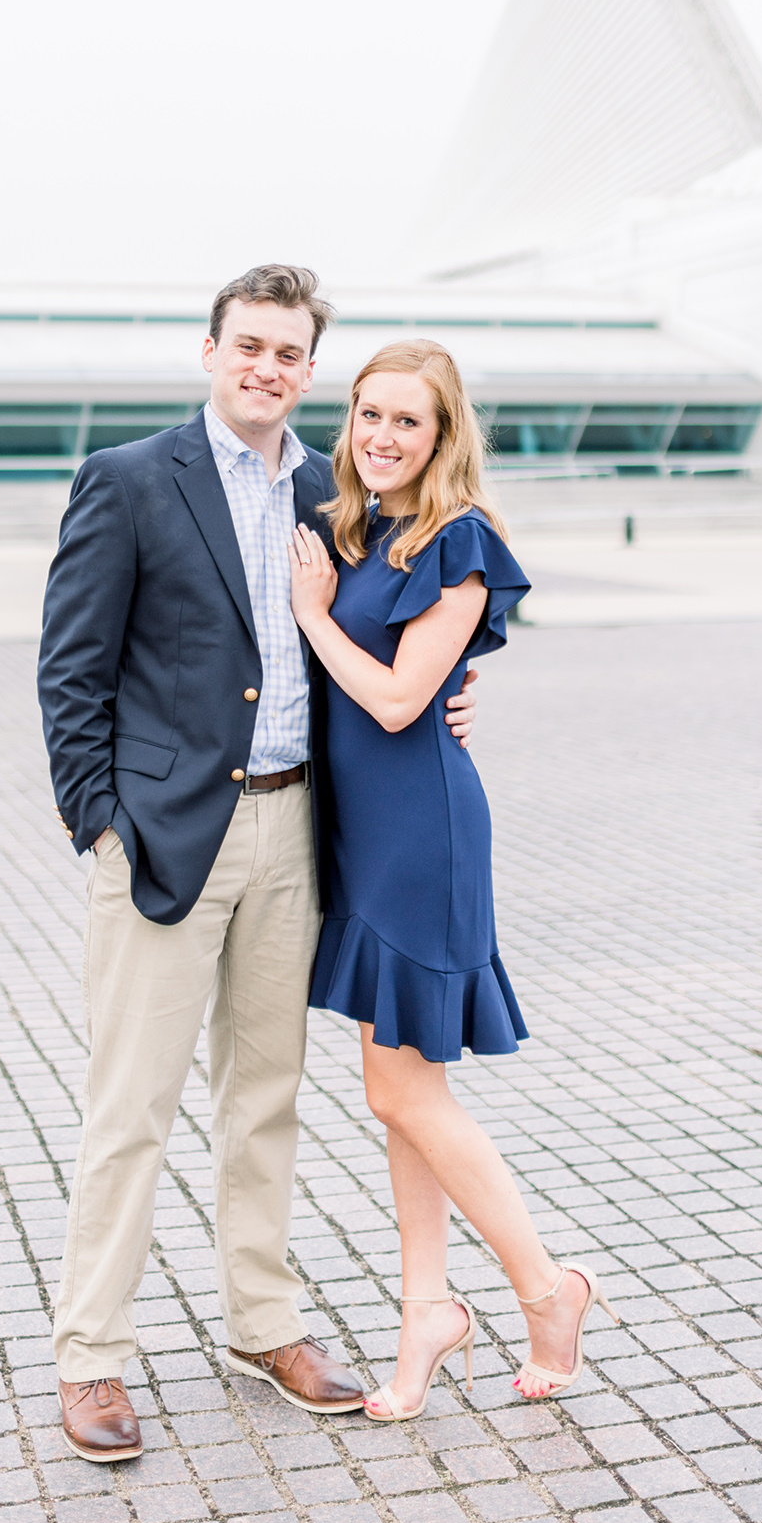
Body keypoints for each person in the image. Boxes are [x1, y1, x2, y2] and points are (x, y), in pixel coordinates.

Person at [37, 266, 482, 1461]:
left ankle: (262, 1322)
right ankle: (91, 1357)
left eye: (290, 353)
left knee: (266, 1098)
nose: (268, 369)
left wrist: (448, 695)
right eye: (250, 346)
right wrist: (98, 820)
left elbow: (389, 636)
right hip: (167, 839)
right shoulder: (130, 481)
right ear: (211, 350)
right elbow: (70, 671)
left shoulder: (335, 492)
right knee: (130, 1106)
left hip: (299, 832)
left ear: (308, 369)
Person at [288, 338, 619, 1418]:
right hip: (362, 832)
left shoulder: (460, 539)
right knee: (405, 1099)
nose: (381, 437)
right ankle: (424, 1310)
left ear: (443, 436)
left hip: (419, 837)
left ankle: (545, 1286)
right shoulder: (359, 523)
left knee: (400, 1086)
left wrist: (309, 616)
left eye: (407, 422)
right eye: (367, 415)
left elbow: (393, 700)